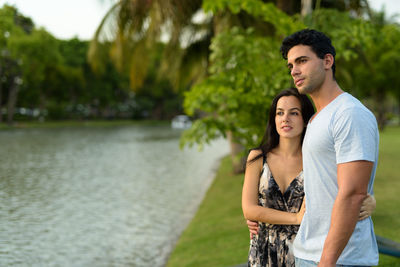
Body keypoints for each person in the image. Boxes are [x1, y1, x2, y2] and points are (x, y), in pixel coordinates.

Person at [242, 88, 376, 267]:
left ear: (307, 120)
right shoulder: (258, 157)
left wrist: (370, 199)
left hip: (306, 250)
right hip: (264, 250)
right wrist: (295, 218)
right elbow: (249, 209)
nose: (285, 119)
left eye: (294, 113)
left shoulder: (315, 159)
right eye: (279, 113)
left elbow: (345, 186)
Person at [280, 29, 379, 266]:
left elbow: (353, 194)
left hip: (340, 258)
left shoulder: (349, 114)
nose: (294, 70)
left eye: (302, 61)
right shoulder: (315, 120)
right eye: (291, 65)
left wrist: (327, 261)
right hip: (310, 252)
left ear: (327, 61)